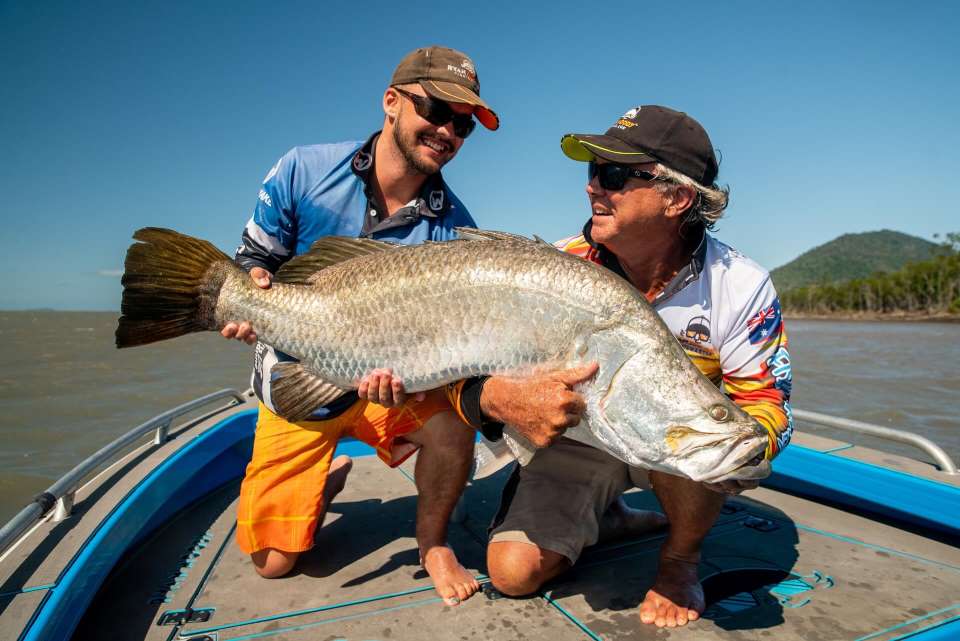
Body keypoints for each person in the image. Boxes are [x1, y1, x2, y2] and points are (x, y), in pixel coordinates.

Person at [362, 105, 793, 628]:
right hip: (580, 440)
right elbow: (457, 376)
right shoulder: (553, 270)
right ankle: (606, 514)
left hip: (669, 448)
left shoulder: (741, 285)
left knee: (705, 448)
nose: (593, 187)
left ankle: (679, 561)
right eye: (592, 171)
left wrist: (750, 452)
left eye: (613, 174)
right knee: (512, 574)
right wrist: (495, 398)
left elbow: (768, 406)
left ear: (677, 197)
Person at [220, 45, 500, 607]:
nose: (448, 131)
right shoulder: (302, 168)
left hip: (385, 389)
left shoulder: (457, 227)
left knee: (452, 425)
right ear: (391, 102)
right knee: (274, 565)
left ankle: (433, 544)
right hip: (298, 385)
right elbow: (256, 257)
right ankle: (328, 477)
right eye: (437, 111)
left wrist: (412, 376)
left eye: (463, 124)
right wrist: (247, 293)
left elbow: (440, 339)